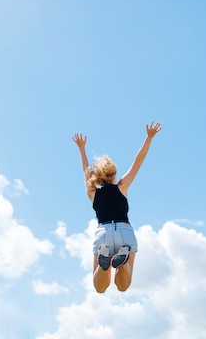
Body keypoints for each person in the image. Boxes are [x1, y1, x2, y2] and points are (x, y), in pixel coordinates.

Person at [72, 121, 162, 293]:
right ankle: (123, 256)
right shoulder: (122, 186)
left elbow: (85, 170)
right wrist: (149, 138)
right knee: (123, 286)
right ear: (114, 175)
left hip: (103, 234)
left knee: (100, 287)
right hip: (124, 231)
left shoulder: (92, 192)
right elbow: (138, 163)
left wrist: (82, 148)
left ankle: (104, 261)